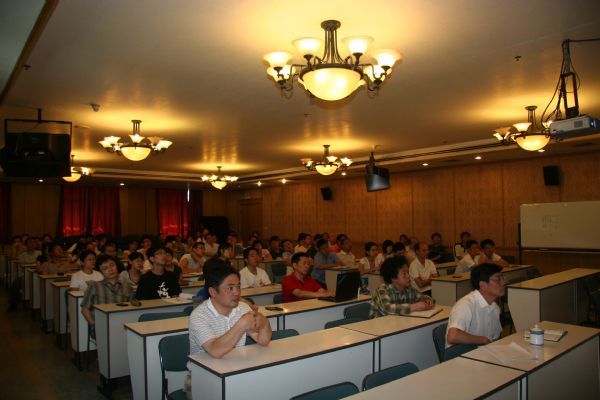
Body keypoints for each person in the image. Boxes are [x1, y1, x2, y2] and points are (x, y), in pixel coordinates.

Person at [188, 259, 271, 359]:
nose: (237, 292)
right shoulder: (199, 316)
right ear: (213, 292)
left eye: (238, 286)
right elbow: (215, 350)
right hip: (204, 367)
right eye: (230, 288)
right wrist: (241, 325)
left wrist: (265, 324)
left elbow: (263, 341)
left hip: (235, 363)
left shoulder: (243, 308)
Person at [446, 263, 505, 347]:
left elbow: (495, 338)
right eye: (498, 279)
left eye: (503, 278)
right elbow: (453, 336)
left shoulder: (495, 307)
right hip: (461, 353)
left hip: (483, 352)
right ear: (483, 285)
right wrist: (483, 340)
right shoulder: (465, 305)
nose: (503, 282)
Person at [370, 256, 435, 318]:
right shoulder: (382, 290)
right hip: (379, 324)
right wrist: (415, 306)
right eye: (404, 274)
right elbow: (387, 309)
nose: (408, 276)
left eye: (408, 272)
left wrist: (428, 301)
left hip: (398, 323)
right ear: (393, 277)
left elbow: (424, 297)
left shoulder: (409, 289)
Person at [81, 255, 135, 327]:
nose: (110, 269)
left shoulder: (127, 287)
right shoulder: (94, 286)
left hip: (122, 323)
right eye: (105, 268)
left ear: (116, 266)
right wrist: (94, 325)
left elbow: (132, 307)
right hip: (102, 325)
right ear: (101, 272)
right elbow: (85, 309)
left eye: (112, 265)